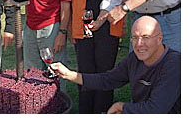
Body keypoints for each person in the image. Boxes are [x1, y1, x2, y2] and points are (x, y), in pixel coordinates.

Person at [51, 16, 181, 114]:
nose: (139, 44)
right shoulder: (134, 59)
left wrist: (121, 106)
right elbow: (108, 80)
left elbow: (155, 110)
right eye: (135, 38)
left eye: (146, 37)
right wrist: (69, 75)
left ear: (159, 39)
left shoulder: (174, 64)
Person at [69, 0, 125, 113]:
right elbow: (69, 6)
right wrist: (71, 30)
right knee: (85, 72)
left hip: (108, 30)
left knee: (106, 72)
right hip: (83, 29)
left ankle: (103, 111)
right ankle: (85, 111)